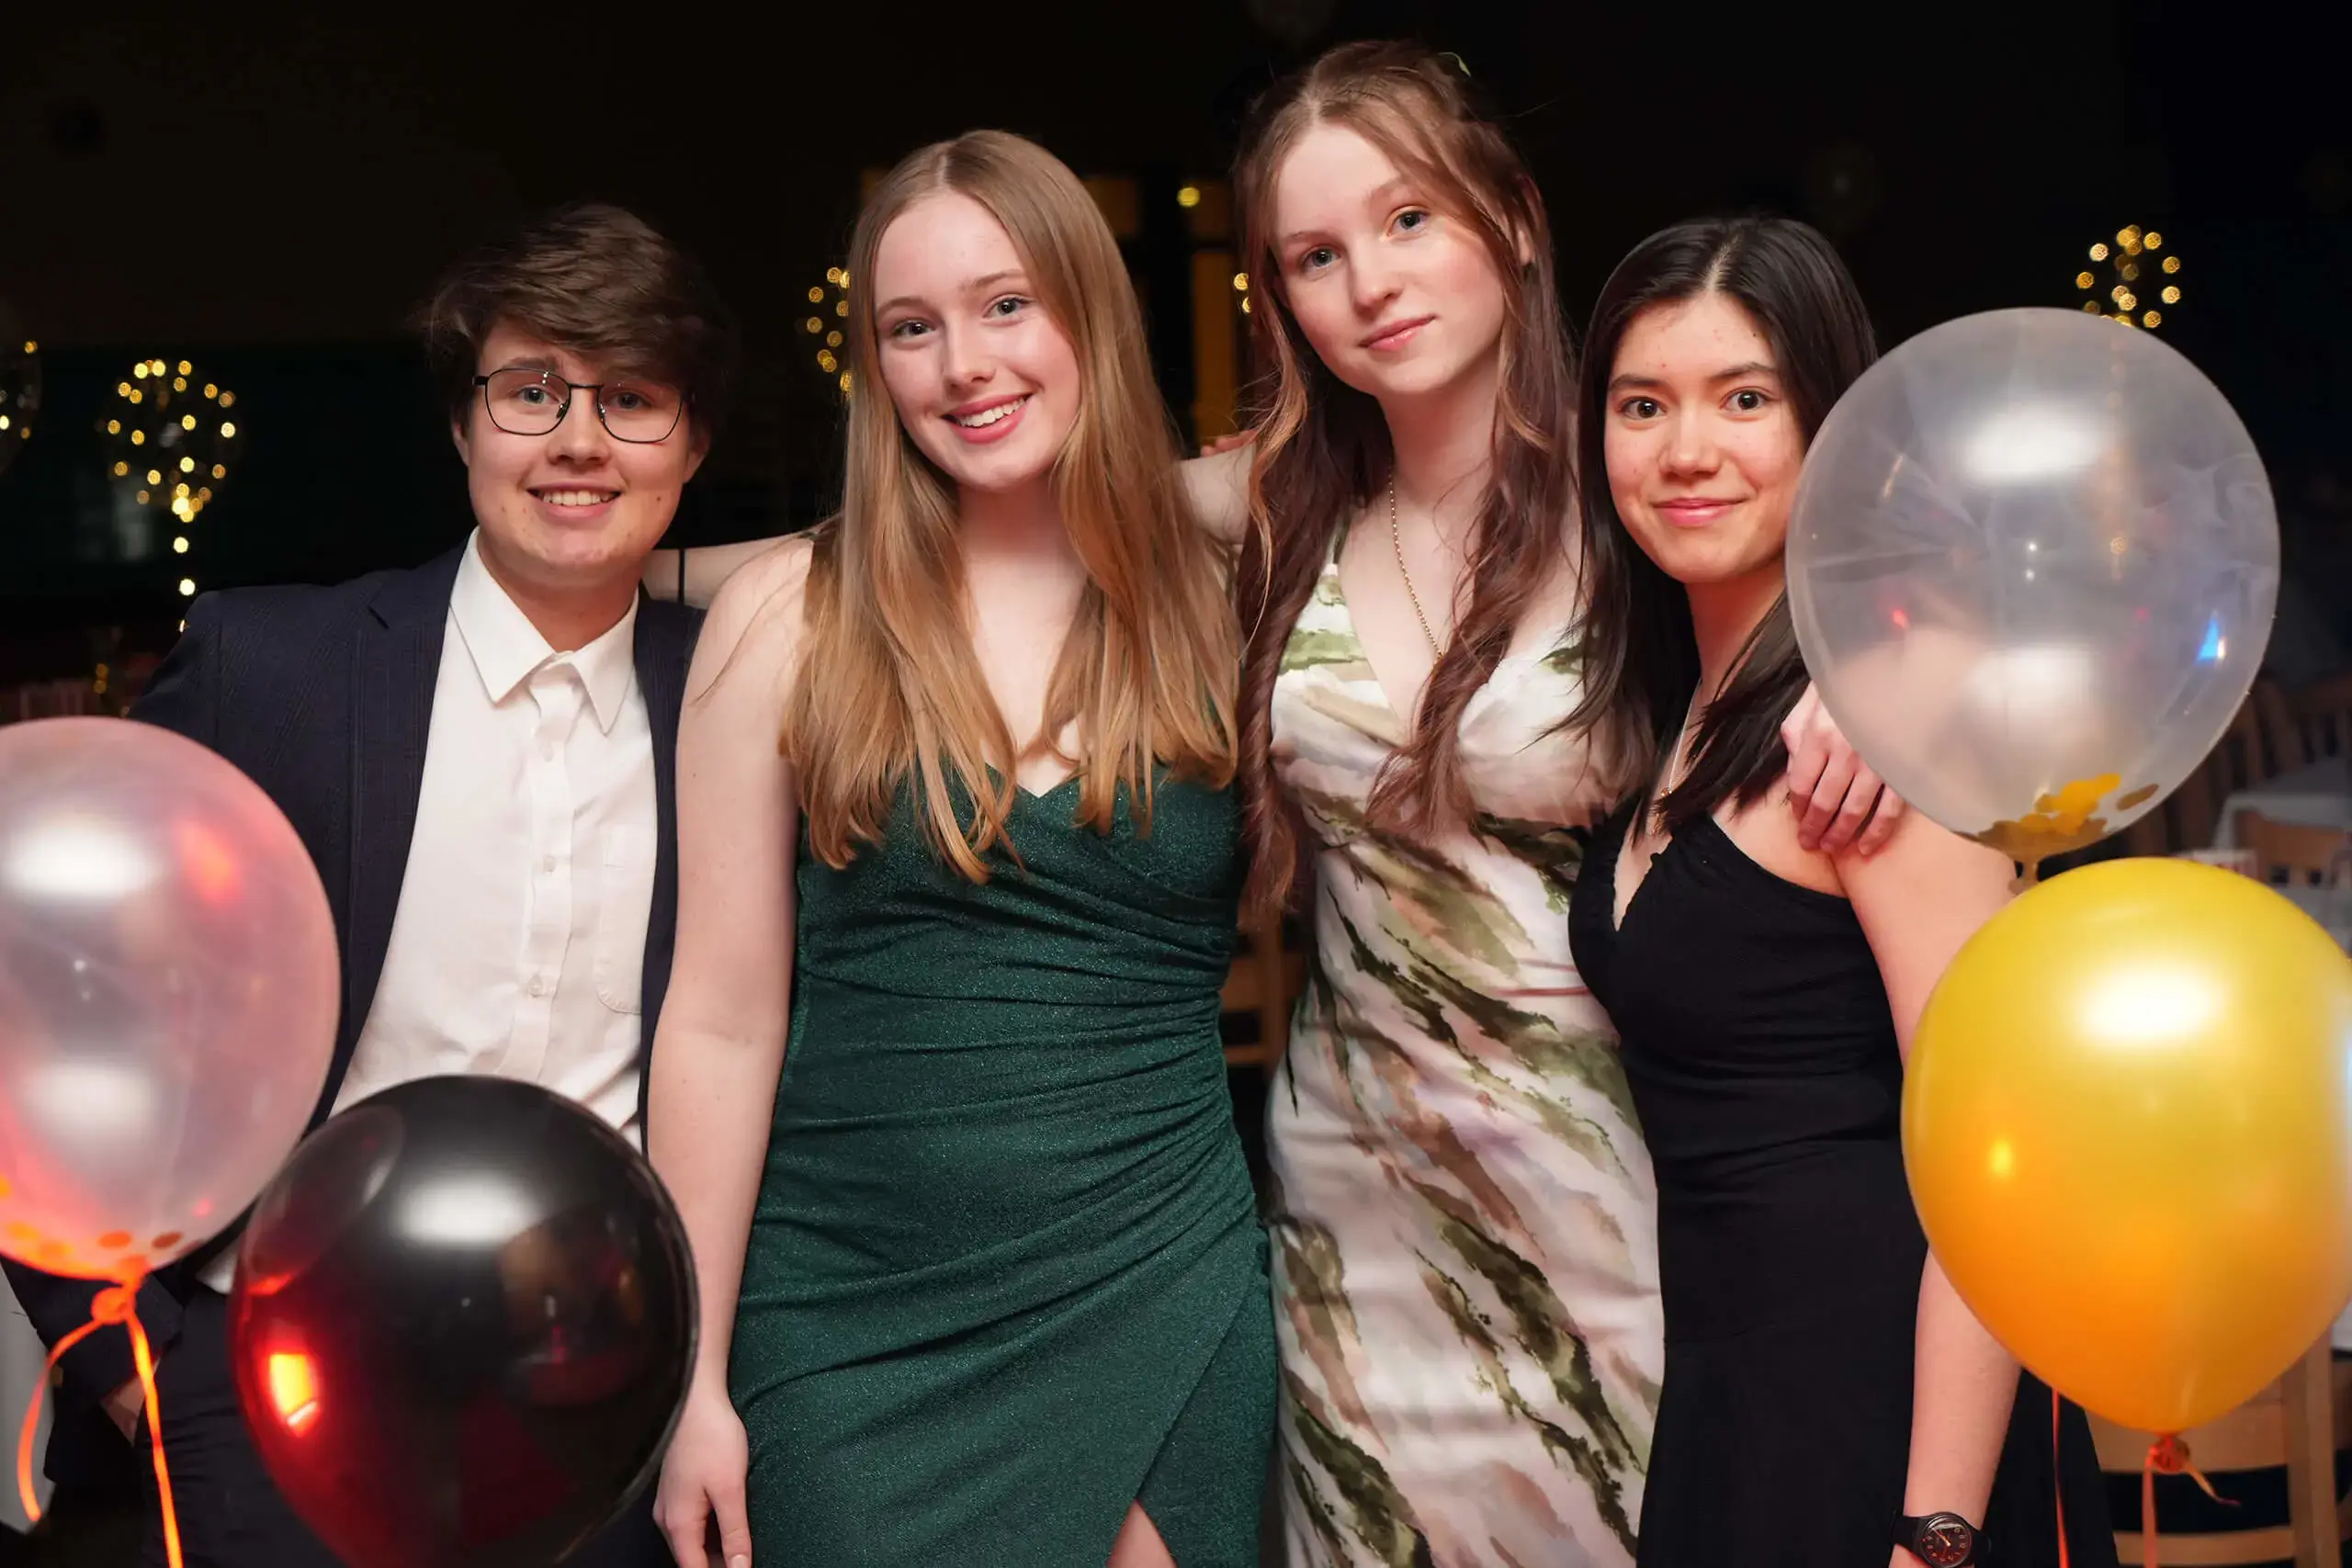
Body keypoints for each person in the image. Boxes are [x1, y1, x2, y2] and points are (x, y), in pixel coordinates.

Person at [1227, 43, 1903, 1567]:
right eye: (1315, 257)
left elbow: (1912, 543)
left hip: (1608, 1178)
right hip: (1354, 1195)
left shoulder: (1647, 490)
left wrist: (1881, 659)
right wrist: (648, 575)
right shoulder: (1273, 516)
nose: (1370, 285)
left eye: (1408, 220)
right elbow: (1010, 524)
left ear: (1514, 218)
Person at [1, 201, 728, 1568]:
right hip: (273, 1389)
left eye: (630, 398)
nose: (578, 439)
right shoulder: (274, 669)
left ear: (693, 440)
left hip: (609, 1400)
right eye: (530, 393)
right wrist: (123, 1351)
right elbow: (36, 969)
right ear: (462, 427)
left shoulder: (742, 697)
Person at [646, 130, 1272, 1568]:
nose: (963, 365)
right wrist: (692, 1381)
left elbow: (1484, 510)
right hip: (847, 1320)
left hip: (1160, 1281)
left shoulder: (1226, 587)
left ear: (1090, 315)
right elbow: (725, 1020)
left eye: (1008, 305)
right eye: (911, 329)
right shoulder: (788, 616)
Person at [1563, 216, 2113, 1566]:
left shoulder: (1884, 728)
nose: (1686, 450)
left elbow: (2001, 1174)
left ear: (1839, 431)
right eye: (1643, 405)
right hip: (1739, 1402)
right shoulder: (1686, 707)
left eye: (1746, 398)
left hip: (1892, 1424)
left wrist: (1933, 1534)